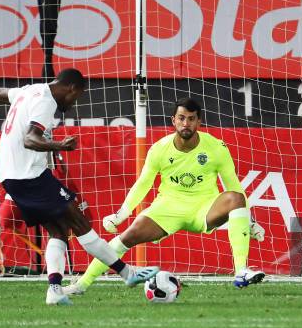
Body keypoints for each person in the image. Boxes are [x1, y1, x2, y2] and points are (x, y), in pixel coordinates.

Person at [0, 68, 158, 305]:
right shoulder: (46, 101)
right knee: (79, 222)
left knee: (58, 230)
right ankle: (127, 273)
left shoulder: (29, 90)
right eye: (76, 97)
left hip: (13, 175)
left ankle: (55, 290)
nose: (73, 102)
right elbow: (30, 139)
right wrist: (60, 145)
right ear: (71, 88)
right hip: (28, 176)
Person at [63, 97, 265, 294]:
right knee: (127, 237)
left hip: (204, 207)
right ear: (173, 120)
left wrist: (250, 220)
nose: (186, 123)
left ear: (199, 121)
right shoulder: (159, 149)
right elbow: (142, 184)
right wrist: (121, 215)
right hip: (168, 208)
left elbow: (234, 185)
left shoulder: (216, 148)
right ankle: (82, 284)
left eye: (191, 118)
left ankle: (240, 272)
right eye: (181, 118)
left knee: (235, 198)